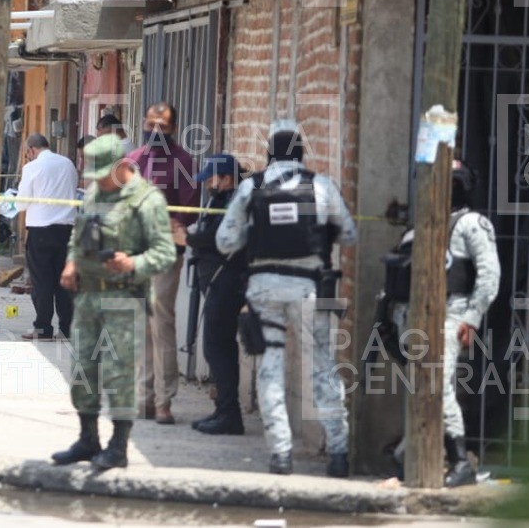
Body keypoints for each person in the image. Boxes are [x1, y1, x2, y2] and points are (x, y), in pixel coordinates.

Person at [216, 119, 357, 477]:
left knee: (270, 367)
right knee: (322, 365)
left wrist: (256, 231)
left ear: (268, 152)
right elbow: (350, 235)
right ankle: (339, 453)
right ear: (300, 152)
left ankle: (281, 454)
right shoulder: (321, 186)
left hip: (264, 288)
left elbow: (225, 242)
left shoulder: (252, 187)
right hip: (311, 288)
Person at [51, 134, 177, 469]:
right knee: (82, 368)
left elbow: (165, 253)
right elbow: (78, 237)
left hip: (124, 298)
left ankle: (118, 446)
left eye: (104, 173)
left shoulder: (147, 201)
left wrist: (134, 263)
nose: (99, 181)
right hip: (89, 295)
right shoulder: (94, 195)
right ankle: (87, 438)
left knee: (120, 374)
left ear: (123, 166)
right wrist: (72, 262)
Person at [389, 159, 500, 487]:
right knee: (424, 387)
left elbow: (489, 274)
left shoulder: (471, 224)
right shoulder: (419, 227)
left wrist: (472, 317)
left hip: (452, 315)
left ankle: (459, 460)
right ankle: (409, 454)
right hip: (414, 321)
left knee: (437, 385)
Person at [126, 101, 199, 424]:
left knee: (161, 322)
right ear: (144, 123)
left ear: (173, 128)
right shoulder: (133, 161)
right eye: (151, 124)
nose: (156, 130)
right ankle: (143, 398)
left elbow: (191, 209)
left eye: (163, 126)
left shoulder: (183, 161)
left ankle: (164, 401)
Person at [186, 152, 249, 436]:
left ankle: (229, 414)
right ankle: (224, 411)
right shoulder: (222, 198)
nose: (208, 184)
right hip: (218, 281)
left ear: (225, 178)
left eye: (211, 178)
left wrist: (185, 238)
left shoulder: (233, 201)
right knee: (219, 346)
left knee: (217, 346)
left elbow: (217, 239)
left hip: (226, 281)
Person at [15, 133, 79, 340]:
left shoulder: (31, 168)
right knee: (64, 280)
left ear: (31, 150)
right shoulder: (68, 164)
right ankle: (67, 327)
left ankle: (42, 328)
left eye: (27, 154)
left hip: (41, 230)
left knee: (42, 280)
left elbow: (21, 203)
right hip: (66, 230)